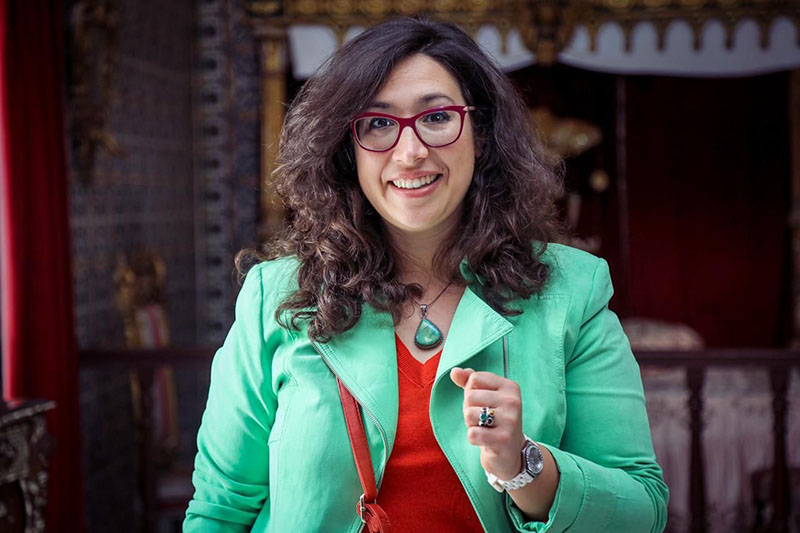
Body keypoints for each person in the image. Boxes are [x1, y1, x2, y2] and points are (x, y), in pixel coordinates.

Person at [184, 16, 668, 533]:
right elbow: (219, 511)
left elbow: (643, 511)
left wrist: (525, 465)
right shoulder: (277, 297)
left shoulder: (571, 291)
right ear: (348, 149)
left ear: (481, 135)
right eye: (377, 123)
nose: (410, 151)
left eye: (437, 117)